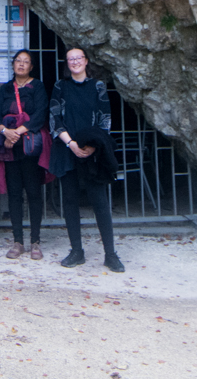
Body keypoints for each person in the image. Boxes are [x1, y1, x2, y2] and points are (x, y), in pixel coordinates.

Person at [49, 47, 123, 272]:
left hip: (92, 151)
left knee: (100, 202)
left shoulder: (98, 86)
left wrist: (92, 146)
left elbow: (105, 119)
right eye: (70, 59)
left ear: (86, 61)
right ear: (67, 63)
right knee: (70, 201)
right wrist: (70, 143)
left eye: (78, 58)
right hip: (67, 148)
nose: (74, 62)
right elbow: (54, 117)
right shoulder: (60, 86)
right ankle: (76, 251)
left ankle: (110, 254)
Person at [0, 48, 49, 259]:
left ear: (31, 66)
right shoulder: (5, 88)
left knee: (34, 193)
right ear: (13, 65)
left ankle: (35, 241)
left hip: (30, 146)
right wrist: (6, 132)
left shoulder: (38, 86)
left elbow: (40, 113)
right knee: (14, 194)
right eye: (18, 61)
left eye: (26, 61)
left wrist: (18, 131)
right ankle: (17, 241)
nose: (22, 64)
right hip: (10, 147)